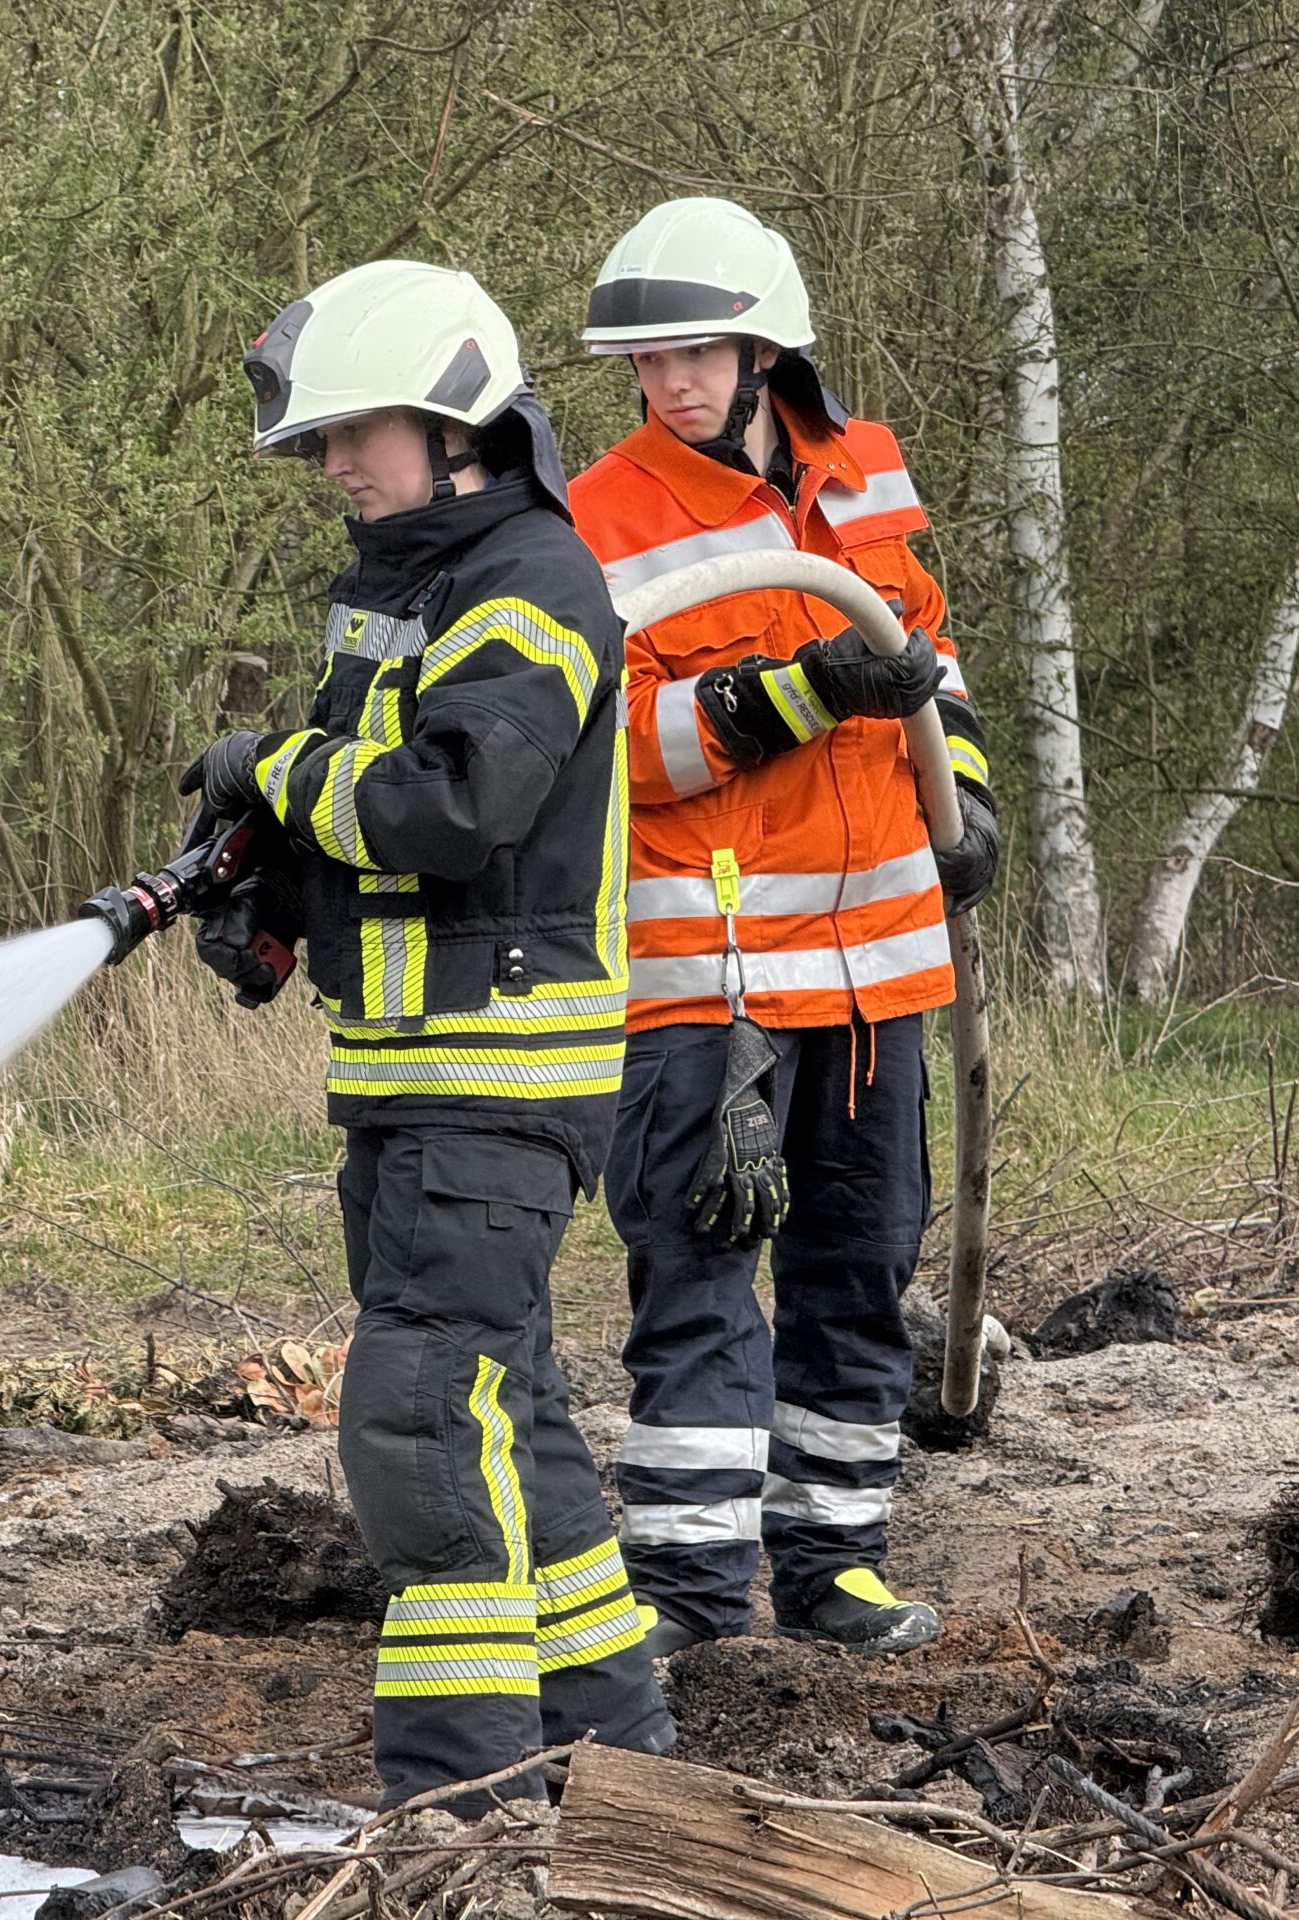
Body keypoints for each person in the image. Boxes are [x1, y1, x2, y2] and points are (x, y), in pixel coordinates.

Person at [181, 259, 674, 1814]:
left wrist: (280, 769)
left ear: (458, 421)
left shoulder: (532, 581)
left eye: (357, 433)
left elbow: (458, 807)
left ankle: (462, 1810)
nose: (332, 467)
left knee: (414, 1418)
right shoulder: (407, 583)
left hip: (497, 1085)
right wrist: (275, 888)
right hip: (409, 1088)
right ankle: (613, 1763)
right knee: (503, 1412)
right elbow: (366, 800)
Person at [566, 197, 1001, 1658]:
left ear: (765, 349)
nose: (671, 382)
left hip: (881, 982)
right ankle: (686, 1605)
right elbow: (595, 750)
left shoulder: (864, 471)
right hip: (713, 994)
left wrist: (970, 803)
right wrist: (777, 700)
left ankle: (837, 1568)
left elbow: (928, 654)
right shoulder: (599, 520)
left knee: (860, 1272)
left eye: (697, 352)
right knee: (696, 1284)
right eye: (647, 361)